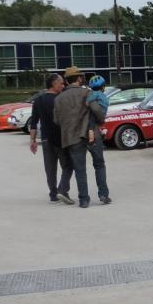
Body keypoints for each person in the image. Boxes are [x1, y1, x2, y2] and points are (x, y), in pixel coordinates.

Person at [54, 67, 104, 208]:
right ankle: (103, 194)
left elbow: (56, 120)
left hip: (72, 137)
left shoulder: (59, 99)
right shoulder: (87, 93)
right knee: (99, 164)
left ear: (66, 81)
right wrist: (101, 121)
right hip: (91, 133)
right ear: (79, 78)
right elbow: (96, 109)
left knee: (79, 169)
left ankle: (84, 200)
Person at [29, 74, 73, 204]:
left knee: (50, 168)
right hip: (61, 138)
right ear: (54, 84)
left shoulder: (38, 100)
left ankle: (53, 194)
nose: (63, 85)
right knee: (68, 165)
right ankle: (62, 190)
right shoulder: (61, 99)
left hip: (46, 139)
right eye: (61, 83)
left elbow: (34, 122)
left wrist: (33, 140)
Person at [85, 75, 111, 205]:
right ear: (103, 86)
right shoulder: (105, 97)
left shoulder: (93, 95)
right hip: (97, 130)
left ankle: (83, 197)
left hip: (90, 129)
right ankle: (103, 194)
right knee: (99, 164)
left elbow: (90, 103)